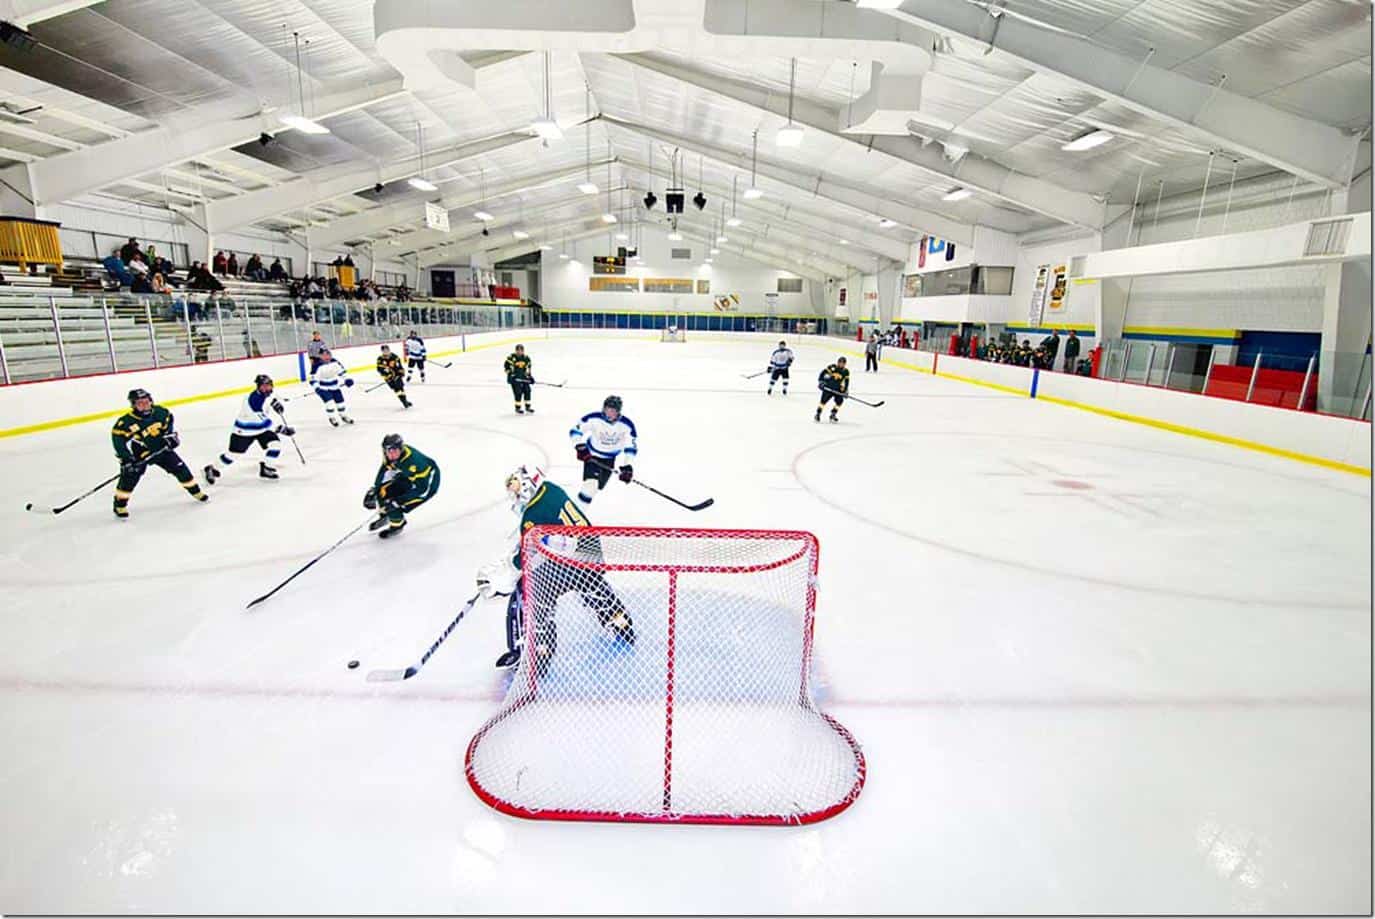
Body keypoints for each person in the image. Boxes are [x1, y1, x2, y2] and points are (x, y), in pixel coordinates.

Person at [477, 466, 633, 674]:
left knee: (529, 592)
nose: (514, 494)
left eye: (515, 488)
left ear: (526, 485)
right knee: (592, 585)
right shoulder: (551, 489)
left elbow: (526, 556)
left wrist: (504, 573)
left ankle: (539, 649)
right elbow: (546, 532)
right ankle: (620, 621)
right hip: (590, 550)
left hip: (566, 563)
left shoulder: (532, 514)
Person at [110, 388, 208, 519]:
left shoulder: (161, 412)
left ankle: (196, 492)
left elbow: (168, 426)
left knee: (180, 469)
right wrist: (126, 459)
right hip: (140, 453)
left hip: (162, 449)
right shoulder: (125, 422)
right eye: (140, 403)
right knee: (129, 478)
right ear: (133, 405)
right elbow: (119, 441)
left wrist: (170, 438)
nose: (144, 405)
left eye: (146, 402)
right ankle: (119, 505)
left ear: (151, 401)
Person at [203, 374, 294, 484]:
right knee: (233, 455)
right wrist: (281, 429)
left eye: (269, 385)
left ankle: (267, 468)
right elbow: (263, 422)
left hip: (261, 430)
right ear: (258, 386)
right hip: (244, 431)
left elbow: (274, 398)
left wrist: (277, 402)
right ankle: (211, 468)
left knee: (275, 445)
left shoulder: (268, 394)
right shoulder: (253, 400)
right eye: (264, 386)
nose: (267, 388)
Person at [364, 433, 440, 539]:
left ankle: (397, 525)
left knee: (394, 503)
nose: (391, 455)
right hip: (408, 476)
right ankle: (386, 515)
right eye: (388, 451)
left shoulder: (415, 462)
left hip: (426, 484)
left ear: (401, 449)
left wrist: (399, 501)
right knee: (383, 491)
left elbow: (423, 489)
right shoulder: (389, 456)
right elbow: (385, 471)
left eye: (394, 451)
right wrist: (374, 490)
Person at [569, 395, 637, 506]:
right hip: (591, 456)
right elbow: (575, 431)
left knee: (596, 488)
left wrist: (627, 466)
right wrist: (580, 446)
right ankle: (576, 513)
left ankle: (577, 508)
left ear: (618, 412)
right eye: (607, 410)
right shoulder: (594, 418)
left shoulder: (626, 425)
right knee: (590, 486)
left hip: (609, 460)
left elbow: (631, 447)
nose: (609, 414)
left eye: (613, 411)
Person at [309, 347, 355, 426]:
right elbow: (313, 379)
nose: (326, 357)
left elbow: (342, 372)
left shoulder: (335, 362)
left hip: (335, 387)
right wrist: (317, 388)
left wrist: (347, 379)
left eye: (328, 354)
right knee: (329, 404)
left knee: (341, 403)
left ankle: (343, 416)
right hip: (323, 389)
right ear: (320, 356)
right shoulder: (316, 365)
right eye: (324, 355)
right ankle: (332, 417)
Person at [376, 344, 412, 409]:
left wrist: (401, 372)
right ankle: (404, 401)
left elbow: (399, 366)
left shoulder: (395, 357)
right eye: (384, 350)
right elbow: (379, 369)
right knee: (396, 389)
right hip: (388, 378)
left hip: (396, 376)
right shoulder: (380, 359)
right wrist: (388, 375)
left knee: (401, 388)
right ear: (382, 351)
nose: (386, 351)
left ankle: (404, 401)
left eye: (387, 350)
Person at [815, 356, 850, 423]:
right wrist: (821, 381)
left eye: (843, 363)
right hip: (828, 388)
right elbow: (822, 373)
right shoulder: (832, 367)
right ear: (838, 362)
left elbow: (846, 382)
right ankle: (818, 414)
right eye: (840, 363)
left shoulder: (846, 371)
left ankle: (833, 414)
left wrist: (845, 390)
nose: (841, 364)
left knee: (839, 402)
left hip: (837, 389)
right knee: (823, 402)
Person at [504, 344, 534, 415]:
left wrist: (530, 377)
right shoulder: (511, 358)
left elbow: (528, 368)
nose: (519, 352)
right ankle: (518, 408)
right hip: (514, 379)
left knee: (527, 391)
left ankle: (528, 407)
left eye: (521, 350)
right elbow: (506, 368)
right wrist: (511, 375)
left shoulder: (526, 358)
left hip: (523, 378)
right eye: (518, 350)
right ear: (516, 350)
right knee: (518, 392)